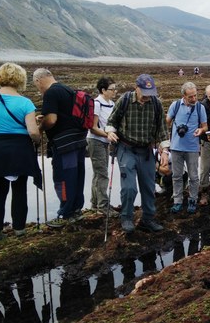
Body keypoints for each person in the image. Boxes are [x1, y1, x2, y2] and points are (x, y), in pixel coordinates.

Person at [0, 62, 42, 240]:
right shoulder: (26, 103)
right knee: (19, 189)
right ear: (20, 79)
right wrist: (37, 137)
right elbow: (32, 131)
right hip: (19, 147)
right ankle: (19, 229)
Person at [105, 74, 168, 233]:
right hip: (126, 149)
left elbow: (162, 129)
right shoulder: (125, 100)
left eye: (151, 92)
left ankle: (148, 219)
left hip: (146, 151)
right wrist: (110, 133)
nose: (148, 96)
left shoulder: (156, 104)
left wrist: (165, 150)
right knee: (129, 188)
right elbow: (111, 121)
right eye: (145, 92)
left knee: (148, 186)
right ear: (137, 88)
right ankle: (126, 218)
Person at [34, 68, 86, 228]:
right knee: (77, 176)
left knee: (63, 178)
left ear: (39, 80)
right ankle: (76, 209)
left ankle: (65, 213)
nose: (38, 88)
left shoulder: (50, 93)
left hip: (64, 145)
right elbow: (65, 114)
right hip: (79, 141)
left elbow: (51, 120)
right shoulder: (67, 89)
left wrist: (40, 128)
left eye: (36, 85)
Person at [166, 81, 207, 214]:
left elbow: (204, 126)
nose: (194, 98)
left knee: (194, 176)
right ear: (184, 96)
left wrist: (201, 131)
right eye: (190, 97)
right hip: (176, 147)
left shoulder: (200, 107)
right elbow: (166, 121)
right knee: (176, 176)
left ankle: (192, 199)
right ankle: (177, 201)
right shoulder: (175, 105)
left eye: (195, 95)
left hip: (192, 147)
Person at [87, 77, 118, 217]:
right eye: (112, 89)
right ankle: (103, 206)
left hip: (104, 141)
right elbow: (92, 128)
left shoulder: (111, 103)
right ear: (103, 90)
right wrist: (108, 135)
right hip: (96, 141)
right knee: (102, 174)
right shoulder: (96, 103)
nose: (115, 92)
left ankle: (95, 202)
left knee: (99, 173)